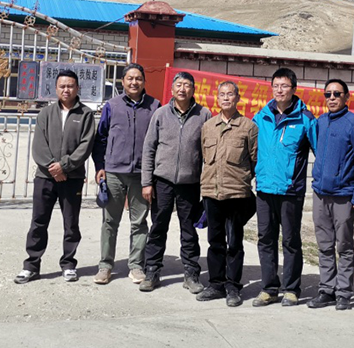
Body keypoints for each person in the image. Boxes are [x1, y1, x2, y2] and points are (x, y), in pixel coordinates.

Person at [15, 69, 96, 284]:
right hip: (45, 177)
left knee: (71, 223)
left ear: (77, 88)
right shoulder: (46, 113)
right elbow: (39, 146)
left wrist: (65, 167)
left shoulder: (86, 114)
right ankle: (32, 265)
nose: (66, 90)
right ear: (56, 88)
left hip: (72, 178)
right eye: (62, 86)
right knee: (39, 221)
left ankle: (68, 264)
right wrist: (53, 168)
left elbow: (86, 145)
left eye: (70, 86)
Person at [140, 71, 212, 294]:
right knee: (158, 227)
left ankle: (191, 274)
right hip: (162, 181)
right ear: (172, 89)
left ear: (193, 89)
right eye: (178, 84)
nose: (182, 89)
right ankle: (152, 271)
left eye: (187, 85)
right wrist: (146, 182)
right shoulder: (160, 114)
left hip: (190, 184)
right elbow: (149, 149)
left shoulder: (204, 115)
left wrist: (206, 184)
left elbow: (208, 152)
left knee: (188, 230)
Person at [252, 67, 317, 307]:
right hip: (264, 189)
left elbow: (319, 152)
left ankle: (291, 289)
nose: (279, 90)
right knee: (265, 239)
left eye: (284, 86)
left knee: (290, 240)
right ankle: (269, 288)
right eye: (276, 86)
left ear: (294, 89)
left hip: (290, 191)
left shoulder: (305, 119)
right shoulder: (261, 117)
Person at [91, 63, 160, 285]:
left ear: (144, 82)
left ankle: (136, 266)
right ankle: (105, 266)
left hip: (141, 174)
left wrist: (152, 174)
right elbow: (101, 138)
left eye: (138, 78)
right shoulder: (112, 105)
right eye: (130, 78)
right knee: (110, 221)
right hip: (113, 172)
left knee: (139, 222)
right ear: (123, 82)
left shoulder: (155, 106)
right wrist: (100, 166)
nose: (134, 82)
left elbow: (159, 141)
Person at [195, 81, 258, 307]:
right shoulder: (208, 126)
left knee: (234, 242)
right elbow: (204, 157)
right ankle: (216, 284)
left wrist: (240, 180)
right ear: (217, 98)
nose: (225, 98)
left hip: (236, 194)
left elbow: (254, 160)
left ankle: (233, 286)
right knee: (215, 241)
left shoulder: (248, 127)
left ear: (237, 98)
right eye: (222, 94)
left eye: (230, 94)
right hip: (211, 192)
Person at [307, 79, 354, 311]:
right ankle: (326, 289)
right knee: (324, 245)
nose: (332, 98)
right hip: (321, 194)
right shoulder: (320, 122)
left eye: (336, 94)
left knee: (344, 245)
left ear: (346, 97)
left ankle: (343, 292)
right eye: (328, 94)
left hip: (344, 195)